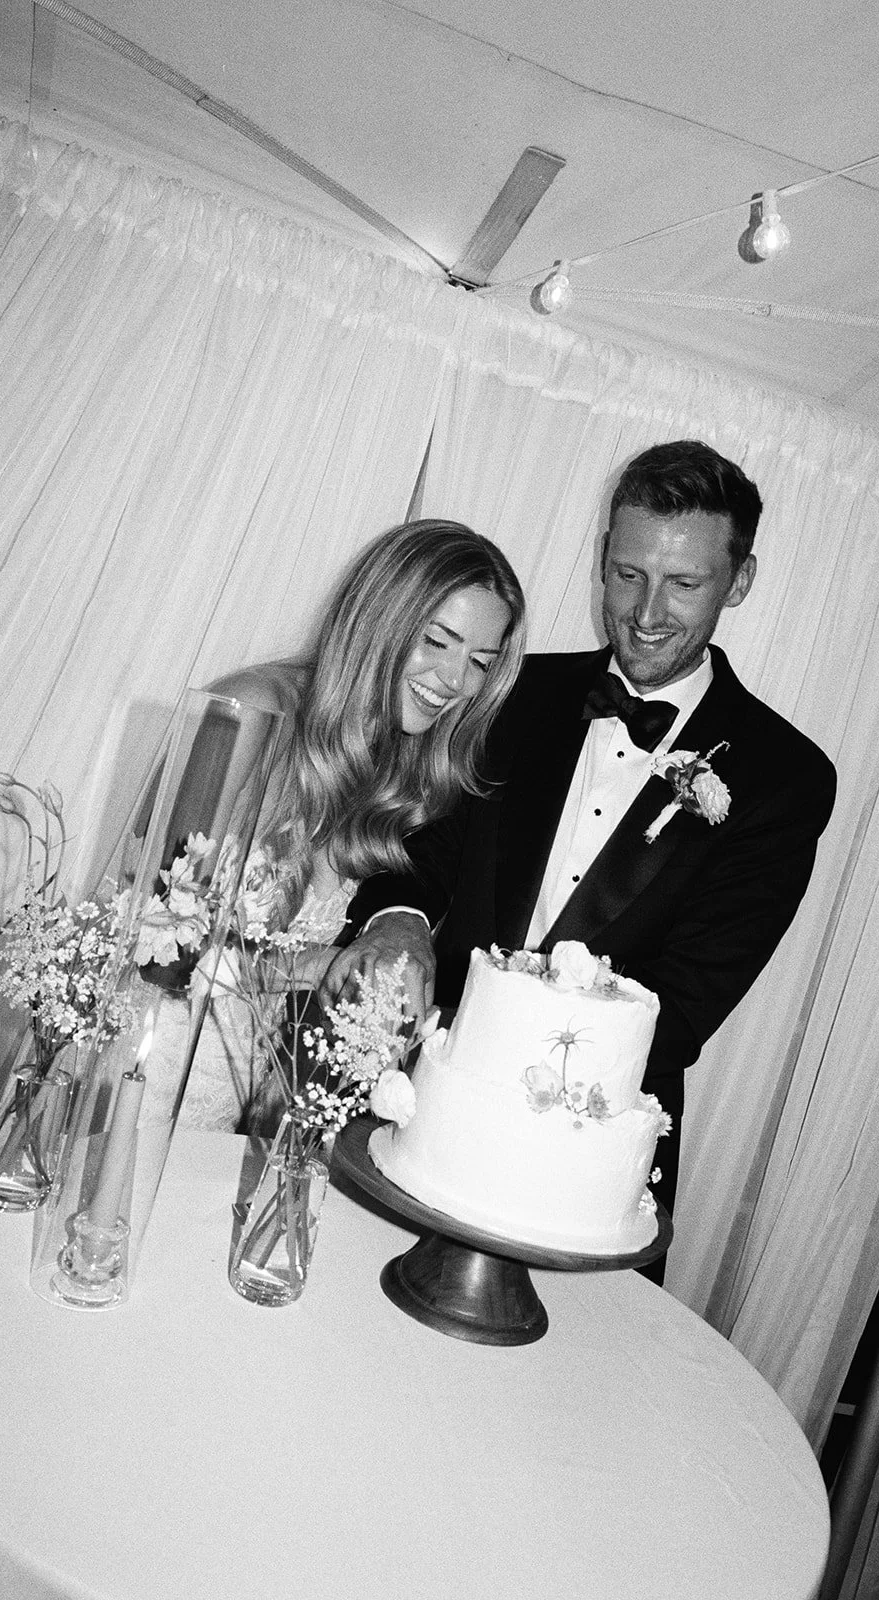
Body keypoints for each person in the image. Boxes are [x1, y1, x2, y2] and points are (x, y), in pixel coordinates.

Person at [325, 441, 837, 1258]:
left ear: (738, 581)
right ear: (601, 559)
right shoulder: (505, 691)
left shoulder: (786, 778)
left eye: (685, 583)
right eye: (628, 574)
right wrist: (395, 920)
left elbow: (687, 1000)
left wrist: (506, 1084)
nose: (646, 612)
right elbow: (421, 845)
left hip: (580, 1167)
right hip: (411, 1099)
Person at [142, 518, 526, 1130]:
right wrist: (324, 965)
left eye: (479, 661)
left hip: (239, 1099)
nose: (454, 682)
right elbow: (156, 944)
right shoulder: (251, 711)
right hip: (143, 1069)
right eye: (436, 640)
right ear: (380, 619)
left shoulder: (406, 771)